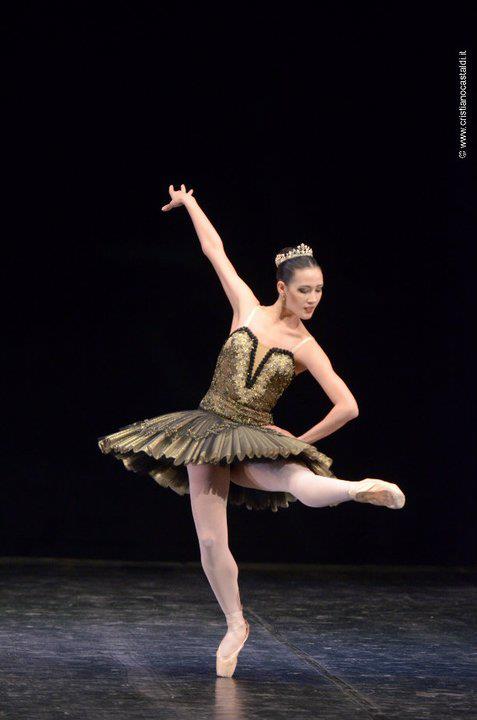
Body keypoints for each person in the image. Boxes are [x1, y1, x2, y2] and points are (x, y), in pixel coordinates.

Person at [97, 183, 406, 678]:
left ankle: (356, 489)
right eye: (305, 290)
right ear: (282, 287)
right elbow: (214, 251)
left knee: (297, 479)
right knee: (210, 541)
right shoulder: (246, 308)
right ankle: (235, 624)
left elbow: (348, 406)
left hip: (252, 437)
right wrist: (190, 203)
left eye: (320, 290)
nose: (313, 299)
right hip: (205, 433)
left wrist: (300, 441)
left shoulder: (306, 346)